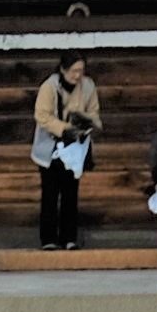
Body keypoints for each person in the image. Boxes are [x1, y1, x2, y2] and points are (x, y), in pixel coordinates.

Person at [28, 55, 104, 251]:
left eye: (81, 71)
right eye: (73, 71)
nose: (77, 76)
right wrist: (64, 128)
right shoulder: (49, 86)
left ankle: (70, 238)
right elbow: (42, 115)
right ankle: (48, 239)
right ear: (63, 69)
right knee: (50, 193)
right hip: (50, 147)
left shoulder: (88, 86)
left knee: (71, 193)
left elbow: (94, 112)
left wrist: (86, 122)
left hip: (75, 148)